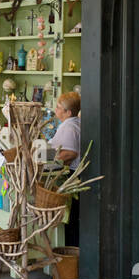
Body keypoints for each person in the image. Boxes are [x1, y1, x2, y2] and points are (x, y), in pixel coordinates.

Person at [49, 91, 82, 245]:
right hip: (75, 173)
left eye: (59, 107)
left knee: (71, 216)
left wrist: (50, 159)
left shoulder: (69, 127)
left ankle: (69, 247)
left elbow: (70, 152)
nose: (56, 110)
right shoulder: (73, 123)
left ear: (68, 112)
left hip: (72, 174)